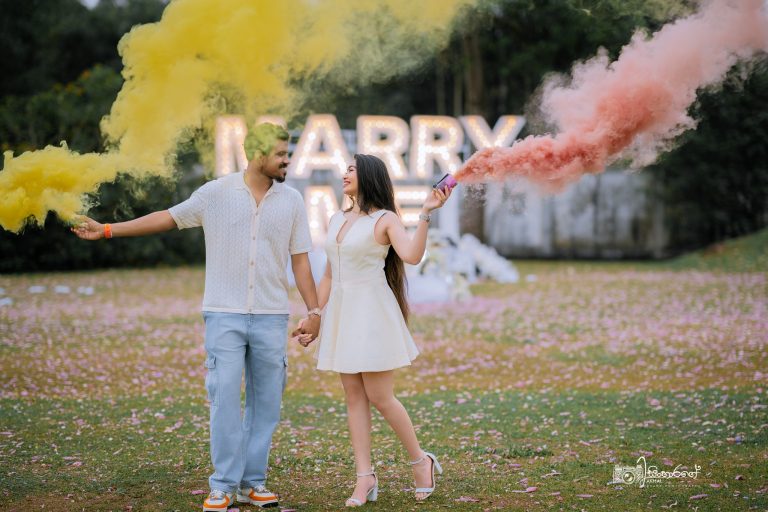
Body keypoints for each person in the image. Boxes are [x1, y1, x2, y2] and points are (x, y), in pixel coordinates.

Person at [72, 123, 322, 511]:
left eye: (286, 153)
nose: (286, 160)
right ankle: (223, 486)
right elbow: (167, 217)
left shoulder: (291, 201)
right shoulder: (215, 193)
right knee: (224, 400)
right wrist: (107, 229)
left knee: (266, 405)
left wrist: (315, 311)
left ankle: (252, 483)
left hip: (272, 316)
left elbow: (301, 261)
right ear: (257, 154)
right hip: (223, 315)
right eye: (279, 154)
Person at [294, 154, 452, 507]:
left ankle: (420, 461)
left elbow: (411, 256)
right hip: (342, 313)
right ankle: (364, 477)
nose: (345, 173)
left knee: (380, 396)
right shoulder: (337, 218)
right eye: (346, 169)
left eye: (352, 169)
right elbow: (329, 274)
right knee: (353, 397)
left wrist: (426, 213)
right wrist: (315, 315)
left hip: (372, 312)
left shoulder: (386, 219)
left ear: (368, 176)